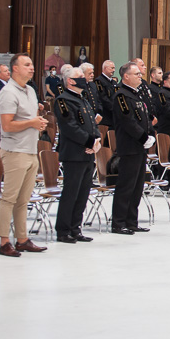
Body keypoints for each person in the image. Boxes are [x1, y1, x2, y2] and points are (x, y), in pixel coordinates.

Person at [0, 53, 49, 257]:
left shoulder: (30, 90)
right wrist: (32, 123)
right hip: (14, 151)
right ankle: (4, 242)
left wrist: (38, 123)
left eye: (32, 64)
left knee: (23, 200)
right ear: (15, 69)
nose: (32, 67)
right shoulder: (8, 93)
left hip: (30, 149)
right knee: (9, 198)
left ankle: (22, 239)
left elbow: (30, 118)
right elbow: (7, 125)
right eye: (27, 64)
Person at [53, 66, 101, 244]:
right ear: (70, 81)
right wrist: (89, 142)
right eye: (80, 76)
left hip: (88, 153)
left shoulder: (83, 99)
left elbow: (92, 123)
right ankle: (63, 230)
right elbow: (70, 127)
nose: (83, 78)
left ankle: (75, 228)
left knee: (83, 193)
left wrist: (97, 141)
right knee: (71, 193)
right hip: (73, 154)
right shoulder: (63, 100)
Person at [111, 62, 155, 235]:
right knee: (126, 186)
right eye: (136, 74)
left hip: (140, 147)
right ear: (126, 76)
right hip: (129, 146)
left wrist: (150, 134)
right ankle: (118, 222)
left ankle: (131, 221)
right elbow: (127, 121)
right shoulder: (121, 96)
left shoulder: (137, 94)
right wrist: (143, 137)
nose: (140, 76)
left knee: (137, 186)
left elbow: (144, 118)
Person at [131, 58, 157, 125]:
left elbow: (149, 99)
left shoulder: (144, 82)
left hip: (150, 117)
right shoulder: (133, 84)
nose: (145, 67)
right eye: (142, 65)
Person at [95, 60, 118, 129]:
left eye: (114, 68)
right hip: (106, 116)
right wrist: (114, 108)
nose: (114, 70)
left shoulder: (114, 82)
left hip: (114, 116)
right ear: (105, 68)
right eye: (112, 68)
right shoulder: (99, 81)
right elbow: (102, 97)